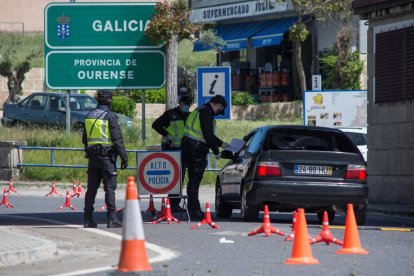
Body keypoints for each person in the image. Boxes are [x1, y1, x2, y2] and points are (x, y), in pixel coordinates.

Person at [82, 90, 128, 228]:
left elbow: (85, 139)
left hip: (93, 157)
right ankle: (112, 219)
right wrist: (124, 157)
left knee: (91, 190)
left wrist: (89, 152)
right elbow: (117, 139)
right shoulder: (110, 116)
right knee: (109, 189)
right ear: (109, 100)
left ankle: (87, 219)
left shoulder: (89, 115)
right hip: (107, 158)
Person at [181, 95, 229, 220]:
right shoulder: (207, 113)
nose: (219, 113)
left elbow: (205, 133)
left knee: (189, 180)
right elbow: (207, 134)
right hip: (196, 150)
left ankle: (191, 208)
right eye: (220, 109)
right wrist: (216, 151)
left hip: (187, 146)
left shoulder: (200, 110)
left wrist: (222, 143)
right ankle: (195, 210)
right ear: (218, 104)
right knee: (194, 180)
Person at [152, 95, 192, 212]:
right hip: (171, 149)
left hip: (183, 149)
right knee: (174, 176)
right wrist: (167, 135)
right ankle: (172, 204)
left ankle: (174, 203)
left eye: (188, 105)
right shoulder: (170, 114)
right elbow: (156, 125)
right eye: (184, 104)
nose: (186, 106)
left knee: (180, 176)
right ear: (179, 103)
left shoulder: (189, 116)